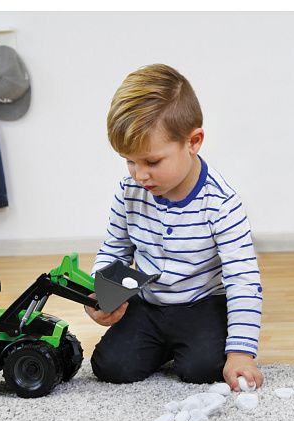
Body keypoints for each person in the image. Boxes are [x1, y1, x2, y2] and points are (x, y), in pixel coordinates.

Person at [85, 64, 264, 392]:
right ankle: (164, 345)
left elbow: (243, 280)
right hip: (148, 304)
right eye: (130, 161)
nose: (140, 174)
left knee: (203, 368)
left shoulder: (222, 203)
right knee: (110, 366)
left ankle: (187, 346)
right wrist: (101, 296)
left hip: (202, 303)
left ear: (193, 142)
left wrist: (240, 353)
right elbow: (114, 250)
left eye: (152, 162)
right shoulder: (129, 191)